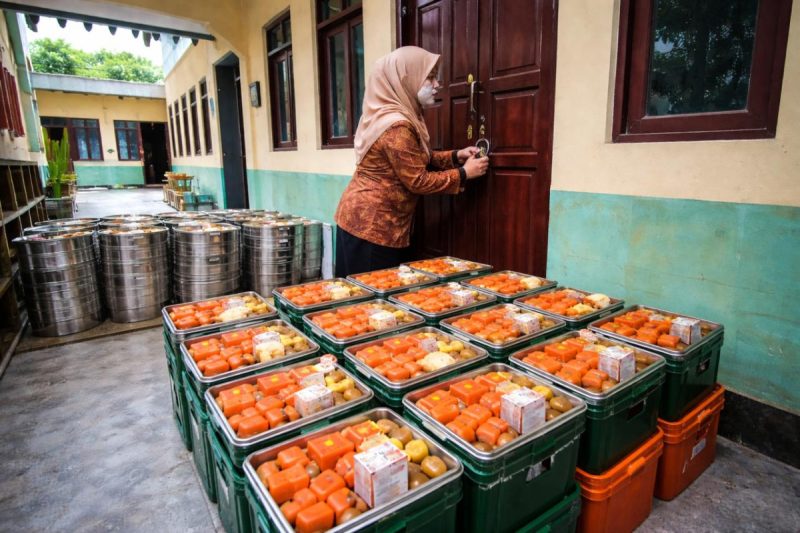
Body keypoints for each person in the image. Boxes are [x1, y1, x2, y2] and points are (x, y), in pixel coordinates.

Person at [333, 46, 489, 277]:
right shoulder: (397, 126)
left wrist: (456, 156)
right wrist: (464, 173)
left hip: (366, 222)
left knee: (366, 299)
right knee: (368, 303)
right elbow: (417, 180)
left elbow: (414, 158)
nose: (437, 84)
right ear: (406, 79)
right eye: (430, 77)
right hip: (372, 227)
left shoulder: (399, 116)